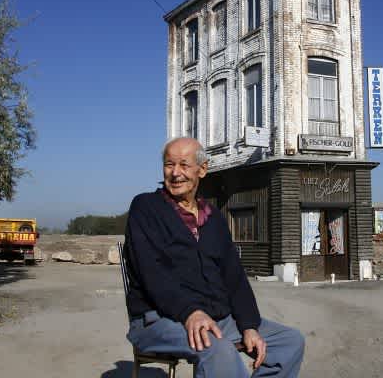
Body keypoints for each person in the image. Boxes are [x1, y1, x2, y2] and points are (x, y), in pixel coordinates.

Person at [124, 137, 305, 378]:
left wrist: (249, 325)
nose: (175, 173)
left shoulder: (213, 218)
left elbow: (234, 278)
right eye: (169, 165)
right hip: (159, 319)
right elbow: (151, 272)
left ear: (203, 169)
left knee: (289, 342)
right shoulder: (145, 207)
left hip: (216, 318)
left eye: (184, 165)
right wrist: (190, 312)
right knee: (217, 350)